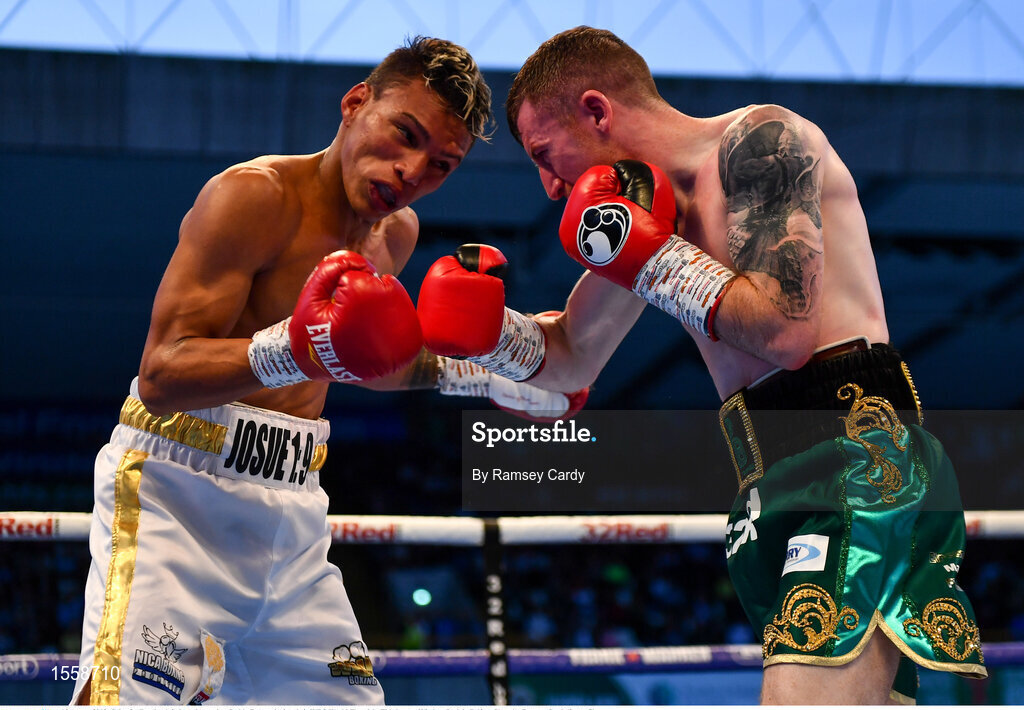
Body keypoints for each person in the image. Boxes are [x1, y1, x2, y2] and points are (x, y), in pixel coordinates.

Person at [416, 26, 986, 705]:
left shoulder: (760, 142)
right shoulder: (644, 212)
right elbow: (571, 356)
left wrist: (648, 258)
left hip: (861, 462)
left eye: (545, 153)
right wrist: (477, 335)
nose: (548, 186)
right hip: (766, 486)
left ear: (597, 111)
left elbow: (783, 330)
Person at [71, 36, 582, 706]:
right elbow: (162, 374)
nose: (411, 171)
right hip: (179, 496)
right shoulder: (253, 198)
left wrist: (486, 378)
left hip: (294, 512)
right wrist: (293, 348)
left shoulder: (393, 235)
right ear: (355, 103)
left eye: (441, 164)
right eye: (405, 134)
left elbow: (369, 361)